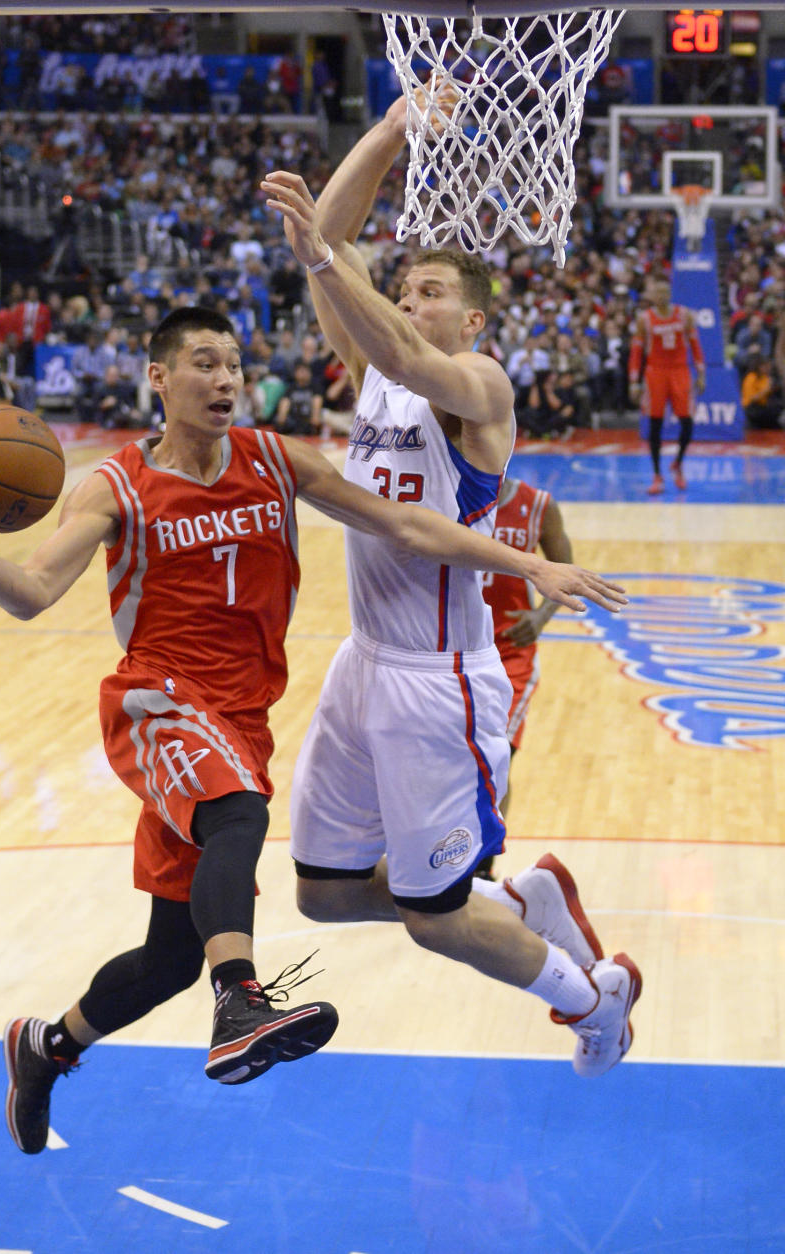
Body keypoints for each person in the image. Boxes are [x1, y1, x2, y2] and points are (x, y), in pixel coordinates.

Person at [0, 305, 626, 1154]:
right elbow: (34, 590)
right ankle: (241, 1001)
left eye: (234, 365)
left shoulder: (276, 459)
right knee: (239, 815)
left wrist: (528, 563)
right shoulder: (115, 487)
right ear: (158, 378)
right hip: (161, 704)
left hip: (240, 714)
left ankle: (47, 1047)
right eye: (203, 365)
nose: (225, 380)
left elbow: (404, 523)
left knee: (169, 956)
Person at [260, 92, 641, 1084]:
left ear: (469, 317)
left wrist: (324, 256)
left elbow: (390, 331)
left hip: (444, 677)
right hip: (364, 663)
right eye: (407, 283)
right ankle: (521, 907)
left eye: (430, 289)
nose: (411, 296)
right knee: (325, 891)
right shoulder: (374, 372)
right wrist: (389, 132)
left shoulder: (481, 384)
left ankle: (593, 996)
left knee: (432, 920)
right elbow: (331, 244)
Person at [475, 476, 574, 879]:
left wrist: (542, 615)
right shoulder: (447, 493)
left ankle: (483, 868)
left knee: (497, 759)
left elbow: (563, 570)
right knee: (454, 763)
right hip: (453, 650)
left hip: (510, 652)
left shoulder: (539, 506)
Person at [628, 275, 705, 495]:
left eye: (664, 292)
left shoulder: (685, 315)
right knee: (655, 425)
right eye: (656, 293)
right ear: (652, 296)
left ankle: (678, 463)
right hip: (656, 373)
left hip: (680, 371)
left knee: (687, 423)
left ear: (670, 294)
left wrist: (701, 373)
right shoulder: (645, 319)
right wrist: (634, 381)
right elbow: (636, 353)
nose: (660, 296)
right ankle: (657, 475)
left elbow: (696, 346)